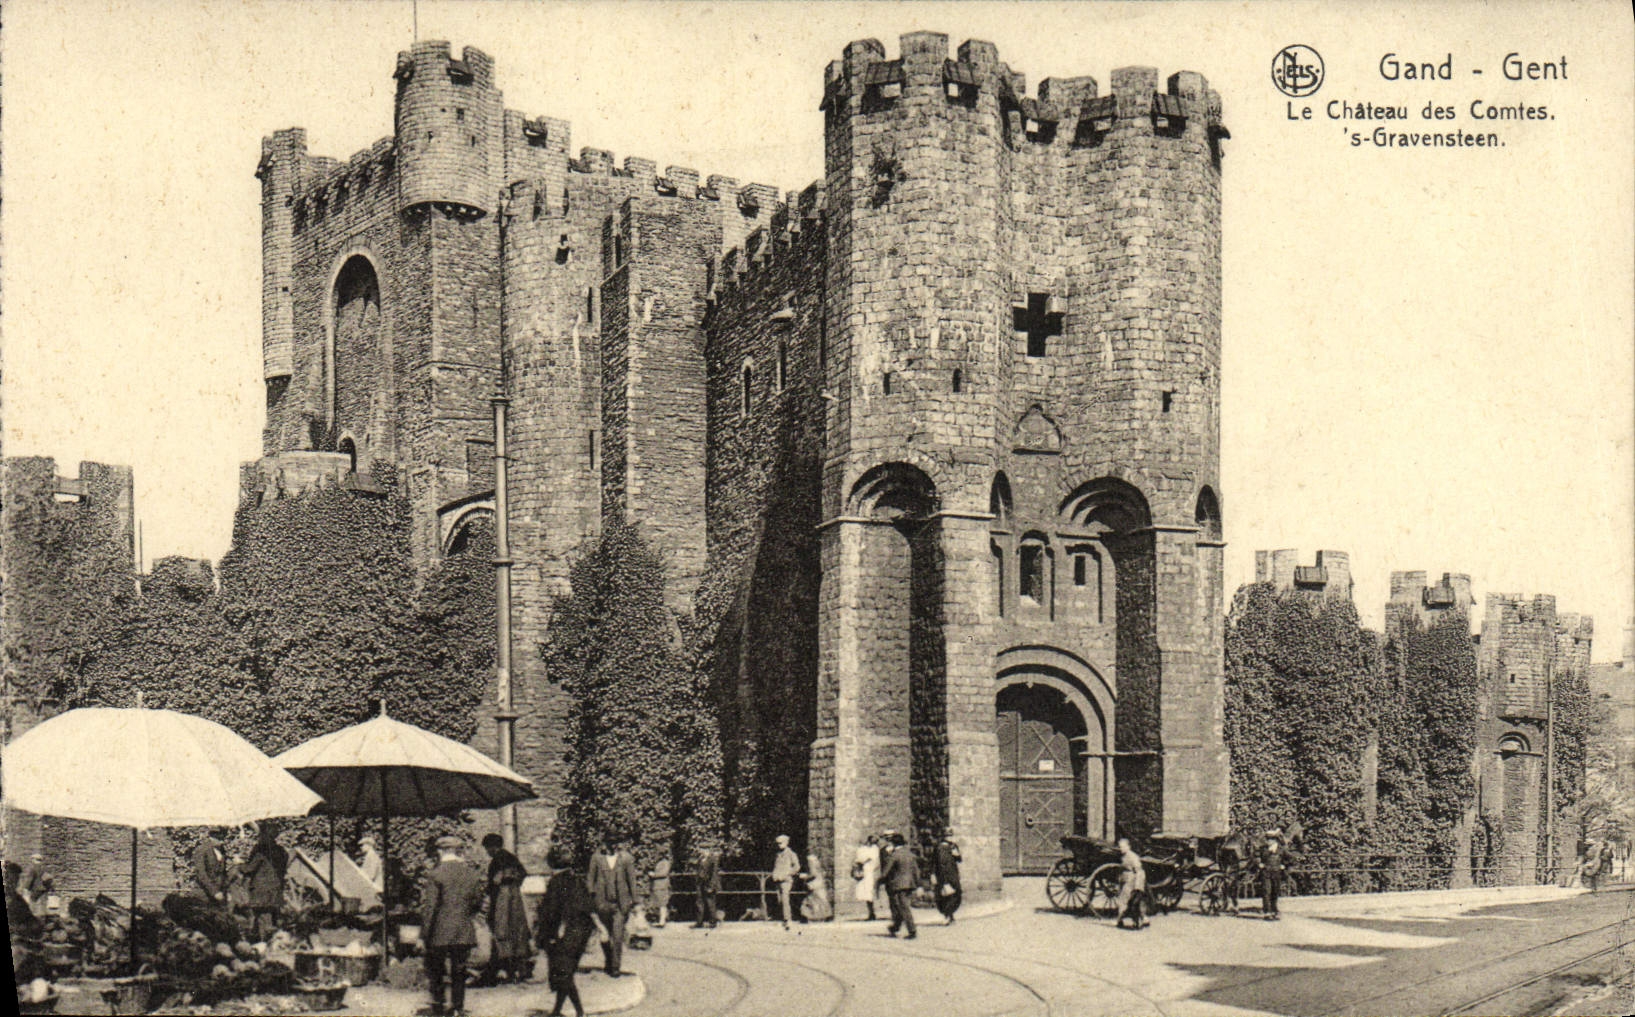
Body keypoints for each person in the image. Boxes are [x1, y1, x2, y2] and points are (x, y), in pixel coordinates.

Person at [419, 834, 485, 1017]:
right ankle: (457, 1008)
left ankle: (439, 1007)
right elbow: (477, 903)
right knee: (460, 970)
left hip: (440, 931)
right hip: (463, 928)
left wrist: (423, 935)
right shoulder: (471, 874)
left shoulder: (436, 874)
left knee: (437, 969)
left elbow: (430, 908)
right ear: (457, 851)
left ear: (440, 851)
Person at [536, 845, 604, 1017]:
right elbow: (589, 907)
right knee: (566, 974)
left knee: (562, 974)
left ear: (551, 864)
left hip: (564, 934)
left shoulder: (556, 882)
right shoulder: (576, 880)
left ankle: (579, 1012)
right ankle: (559, 1011)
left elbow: (550, 913)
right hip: (580, 932)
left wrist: (544, 936)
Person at [480, 833, 533, 984]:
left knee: (503, 931)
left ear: (492, 847)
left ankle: (508, 971)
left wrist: (499, 883)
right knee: (518, 932)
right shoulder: (511, 857)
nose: (487, 852)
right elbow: (523, 873)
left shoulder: (496, 861)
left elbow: (493, 884)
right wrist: (513, 883)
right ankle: (520, 970)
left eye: (487, 848)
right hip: (515, 901)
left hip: (502, 903)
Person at [585, 838, 636, 976]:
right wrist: (591, 897)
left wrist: (635, 901)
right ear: (604, 844)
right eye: (609, 843)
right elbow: (590, 879)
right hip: (602, 903)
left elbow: (632, 880)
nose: (612, 846)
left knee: (618, 935)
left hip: (620, 903)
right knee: (605, 935)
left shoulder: (626, 858)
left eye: (615, 843)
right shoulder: (596, 858)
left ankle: (615, 967)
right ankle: (609, 959)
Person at [239, 824, 289, 940]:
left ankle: (265, 944)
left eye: (260, 835)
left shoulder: (261, 852)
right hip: (276, 890)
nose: (259, 838)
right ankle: (272, 941)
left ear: (265, 836)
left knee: (263, 919)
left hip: (262, 891)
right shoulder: (282, 851)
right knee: (273, 918)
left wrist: (239, 863)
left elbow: (249, 869)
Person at [880, 832, 918, 939]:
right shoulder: (910, 854)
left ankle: (912, 930)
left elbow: (885, 871)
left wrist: (879, 881)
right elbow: (916, 870)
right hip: (910, 883)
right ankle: (895, 927)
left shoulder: (894, 855)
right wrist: (917, 883)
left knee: (903, 907)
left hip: (898, 884)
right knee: (901, 906)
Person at [1114, 838, 1147, 930]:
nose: (1121, 849)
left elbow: (1139, 871)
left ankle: (1131, 921)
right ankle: (1122, 920)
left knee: (1127, 901)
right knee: (1124, 900)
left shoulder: (1133, 857)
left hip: (1131, 881)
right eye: (1120, 847)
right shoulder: (1123, 856)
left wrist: (1138, 886)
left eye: (1123, 847)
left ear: (1128, 846)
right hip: (1124, 880)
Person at [932, 830, 962, 925]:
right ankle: (948, 915)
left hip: (953, 874)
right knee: (947, 895)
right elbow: (936, 863)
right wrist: (934, 875)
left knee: (956, 894)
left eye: (950, 836)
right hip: (943, 875)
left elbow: (959, 859)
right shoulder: (939, 847)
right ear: (943, 836)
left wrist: (956, 854)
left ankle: (950, 915)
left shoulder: (953, 846)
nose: (949, 838)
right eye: (947, 836)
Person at [194, 828, 230, 907]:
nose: (222, 842)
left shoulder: (222, 850)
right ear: (211, 837)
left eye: (223, 838)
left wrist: (227, 891)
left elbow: (223, 873)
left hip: (219, 894)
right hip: (203, 894)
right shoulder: (201, 850)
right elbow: (201, 874)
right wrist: (214, 891)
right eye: (219, 838)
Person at [771, 834, 800, 928]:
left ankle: (788, 919)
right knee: (779, 899)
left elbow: (797, 867)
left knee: (785, 899)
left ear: (786, 843)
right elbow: (776, 866)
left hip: (786, 880)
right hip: (778, 879)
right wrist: (774, 874)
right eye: (777, 843)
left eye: (781, 843)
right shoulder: (777, 854)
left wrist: (788, 873)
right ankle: (782, 918)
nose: (779, 845)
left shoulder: (791, 854)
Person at [1259, 827, 1286, 920]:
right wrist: (1259, 863)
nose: (1268, 841)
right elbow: (1256, 856)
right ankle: (1267, 911)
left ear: (1275, 840)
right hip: (1266, 871)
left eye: (1271, 839)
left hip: (1276, 871)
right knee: (1266, 890)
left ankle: (1274, 910)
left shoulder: (1281, 849)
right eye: (1268, 839)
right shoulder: (1263, 849)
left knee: (1275, 891)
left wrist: (1284, 865)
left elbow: (1288, 858)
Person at [852, 835, 881, 920]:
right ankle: (870, 912)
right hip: (865, 871)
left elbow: (873, 859)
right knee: (866, 892)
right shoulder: (862, 849)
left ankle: (872, 913)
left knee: (870, 892)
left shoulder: (875, 849)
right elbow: (858, 859)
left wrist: (863, 861)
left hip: (870, 871)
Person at [693, 845, 721, 929]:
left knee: (710, 903)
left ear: (708, 850)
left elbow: (714, 874)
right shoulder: (700, 859)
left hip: (708, 883)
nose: (702, 851)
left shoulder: (713, 859)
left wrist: (711, 886)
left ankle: (713, 922)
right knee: (699, 903)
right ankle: (699, 922)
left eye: (704, 849)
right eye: (701, 849)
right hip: (700, 884)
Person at [18, 852, 54, 917]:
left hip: (35, 889)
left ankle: (33, 917)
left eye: (32, 859)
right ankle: (43, 918)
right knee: (43, 904)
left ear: (34, 859)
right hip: (45, 888)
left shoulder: (32, 868)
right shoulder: (45, 868)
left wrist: (26, 888)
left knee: (32, 903)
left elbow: (30, 879)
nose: (31, 861)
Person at [800, 853, 832, 922]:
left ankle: (810, 916)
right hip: (819, 884)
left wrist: (805, 876)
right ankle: (824, 915)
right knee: (820, 900)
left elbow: (813, 874)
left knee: (811, 900)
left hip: (814, 884)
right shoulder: (818, 864)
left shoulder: (811, 864)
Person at [647, 852, 672, 928]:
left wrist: (654, 874)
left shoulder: (666, 863)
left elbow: (664, 873)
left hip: (662, 886)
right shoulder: (659, 863)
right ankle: (661, 920)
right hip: (657, 886)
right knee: (659, 903)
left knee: (662, 904)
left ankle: (662, 921)